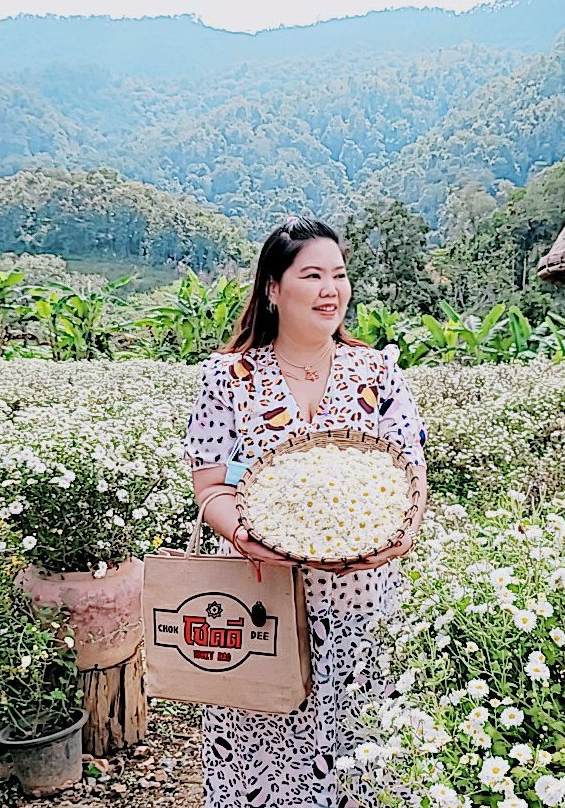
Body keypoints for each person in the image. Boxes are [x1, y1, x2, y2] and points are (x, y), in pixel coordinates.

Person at [181, 215, 429, 807]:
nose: (330, 290)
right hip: (262, 608)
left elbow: (411, 470)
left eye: (338, 276)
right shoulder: (230, 377)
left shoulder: (376, 372)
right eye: (312, 274)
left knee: (359, 751)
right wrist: (243, 535)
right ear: (273, 287)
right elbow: (210, 483)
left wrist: (405, 533)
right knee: (261, 755)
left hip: (362, 608)